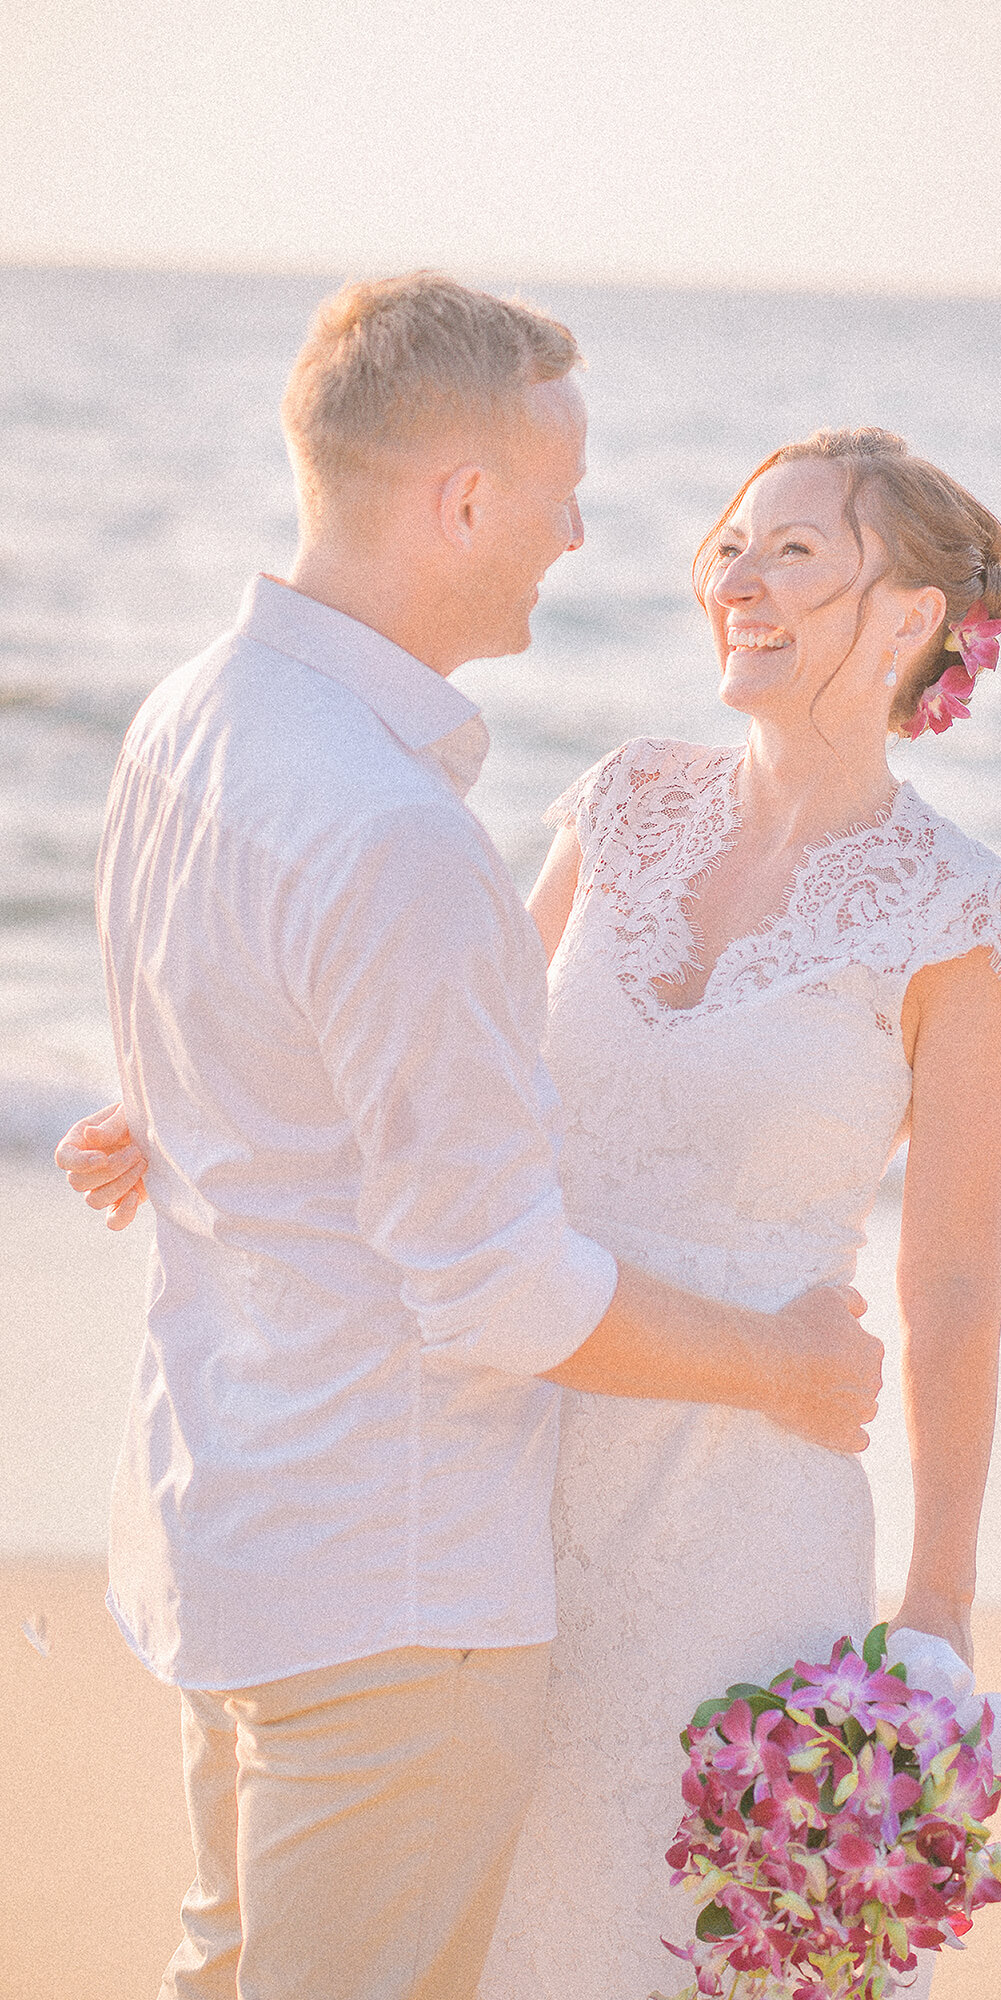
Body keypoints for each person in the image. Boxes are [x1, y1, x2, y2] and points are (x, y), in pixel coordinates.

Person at [53, 274, 882, 2000]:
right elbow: (497, 1295)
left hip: (227, 1519)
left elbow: (241, 1038)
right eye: (560, 492)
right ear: (460, 502)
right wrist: (780, 1369)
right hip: (390, 1582)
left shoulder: (189, 717)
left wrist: (181, 1120)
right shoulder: (389, 827)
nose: (582, 535)